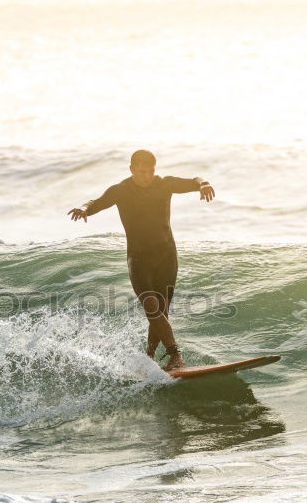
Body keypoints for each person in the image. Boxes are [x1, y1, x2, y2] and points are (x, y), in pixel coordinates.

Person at [67, 150, 214, 371]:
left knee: (160, 312)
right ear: (132, 169)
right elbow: (96, 201)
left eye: (150, 171)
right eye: (142, 171)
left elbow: (195, 180)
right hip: (139, 259)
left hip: (166, 256)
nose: (146, 176)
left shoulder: (164, 184)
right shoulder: (121, 190)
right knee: (151, 307)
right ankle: (176, 356)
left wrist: (204, 184)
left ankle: (149, 358)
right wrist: (85, 208)